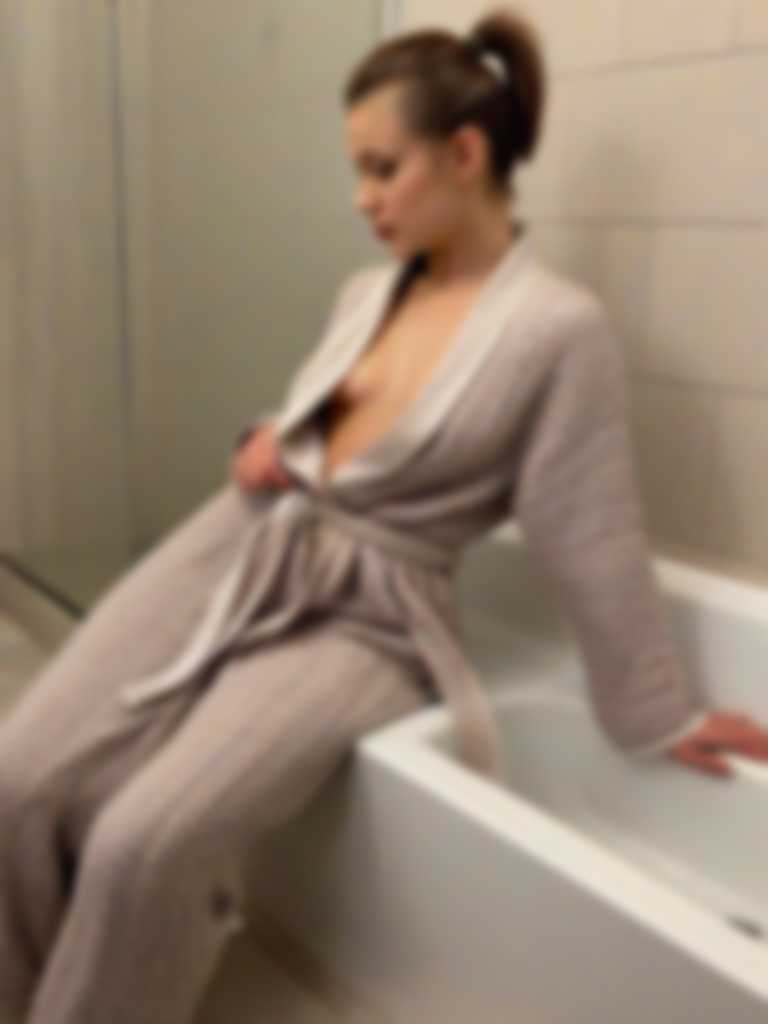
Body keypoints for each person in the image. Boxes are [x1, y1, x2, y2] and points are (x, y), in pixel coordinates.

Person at [2, 7, 768, 1023]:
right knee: (18, 777)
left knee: (146, 842)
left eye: (382, 168)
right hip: (240, 544)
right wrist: (264, 436)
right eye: (356, 171)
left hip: (373, 618)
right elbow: (328, 426)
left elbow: (592, 535)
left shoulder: (557, 331)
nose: (361, 197)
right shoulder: (365, 291)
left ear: (465, 154)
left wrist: (657, 712)